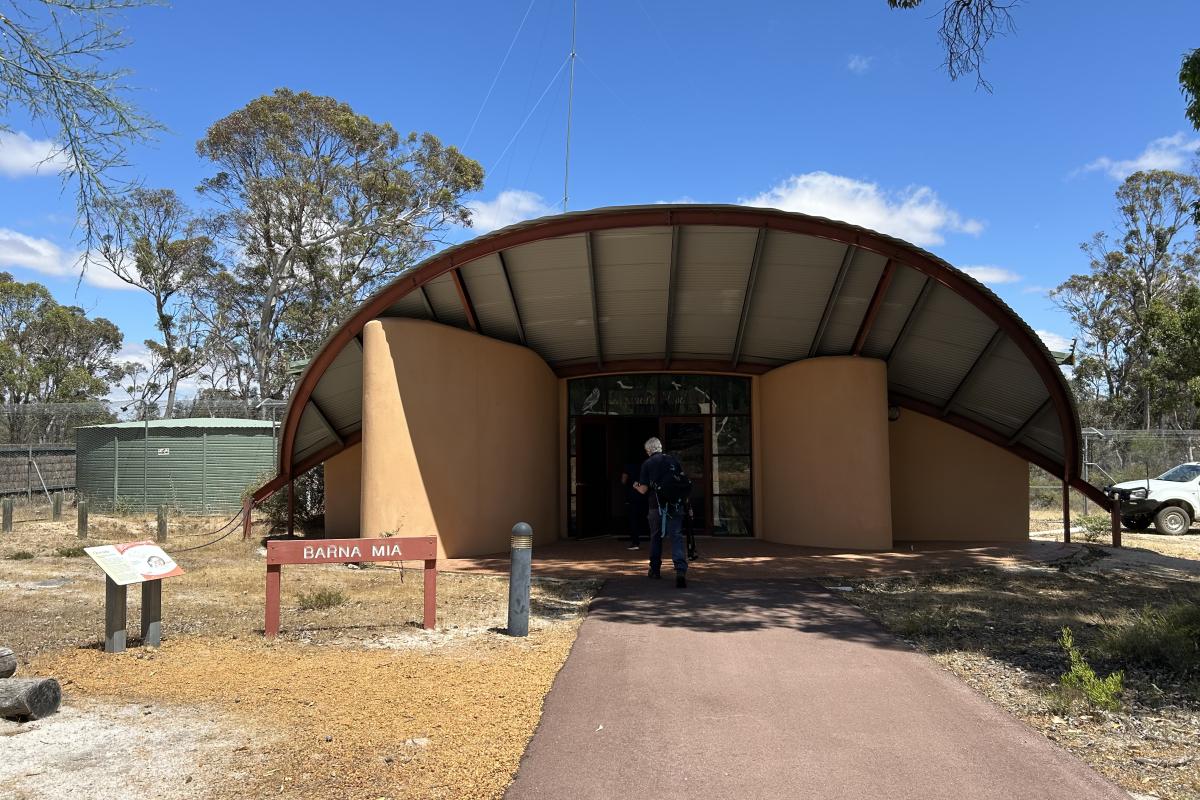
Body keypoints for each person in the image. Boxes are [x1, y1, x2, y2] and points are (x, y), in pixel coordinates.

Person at [634, 437, 688, 588]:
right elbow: (681, 481)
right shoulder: (673, 460)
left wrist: (635, 486)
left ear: (648, 451)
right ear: (660, 447)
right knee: (676, 536)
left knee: (655, 536)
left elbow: (644, 489)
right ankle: (680, 570)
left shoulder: (647, 463)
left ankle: (655, 569)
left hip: (655, 505)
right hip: (675, 505)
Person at [621, 463, 648, 550]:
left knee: (633, 519)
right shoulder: (647, 464)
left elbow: (623, 480)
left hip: (633, 495)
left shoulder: (628, 466)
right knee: (647, 516)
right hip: (646, 495)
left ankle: (635, 542)